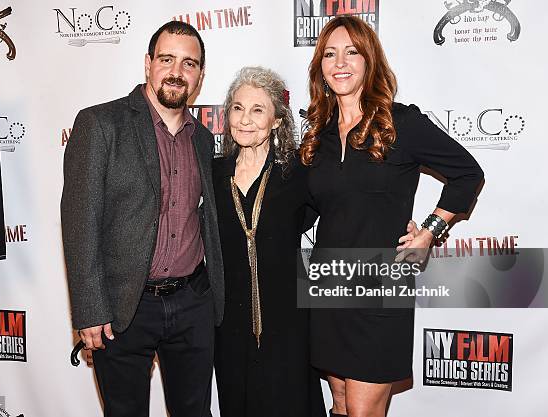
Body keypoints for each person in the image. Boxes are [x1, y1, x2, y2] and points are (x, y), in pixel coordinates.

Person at [301, 16, 484, 417]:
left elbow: (467, 175)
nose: (340, 62)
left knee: (364, 410)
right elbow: (308, 209)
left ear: (370, 61)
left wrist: (431, 231)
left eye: (352, 52)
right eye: (329, 54)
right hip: (328, 286)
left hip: (381, 288)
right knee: (342, 404)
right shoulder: (319, 134)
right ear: (320, 67)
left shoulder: (400, 123)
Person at [61, 21, 223, 417]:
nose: (176, 72)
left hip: (191, 303)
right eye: (167, 59)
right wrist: (89, 310)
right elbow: (80, 221)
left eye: (189, 64)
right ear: (148, 64)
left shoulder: (203, 139)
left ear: (200, 75)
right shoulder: (101, 124)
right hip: (123, 308)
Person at [212, 67, 326, 417]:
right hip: (227, 324)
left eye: (258, 110)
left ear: (277, 120)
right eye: (237, 107)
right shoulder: (213, 173)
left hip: (288, 323)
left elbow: (346, 209)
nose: (245, 119)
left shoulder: (298, 173)